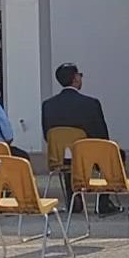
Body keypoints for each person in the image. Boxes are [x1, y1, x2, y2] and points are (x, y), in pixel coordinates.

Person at [41, 62, 112, 205]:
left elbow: (46, 135)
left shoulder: (48, 105)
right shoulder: (90, 104)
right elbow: (102, 137)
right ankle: (104, 202)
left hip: (60, 158)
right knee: (111, 153)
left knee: (69, 154)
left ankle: (73, 198)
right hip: (87, 157)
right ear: (75, 78)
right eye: (80, 75)